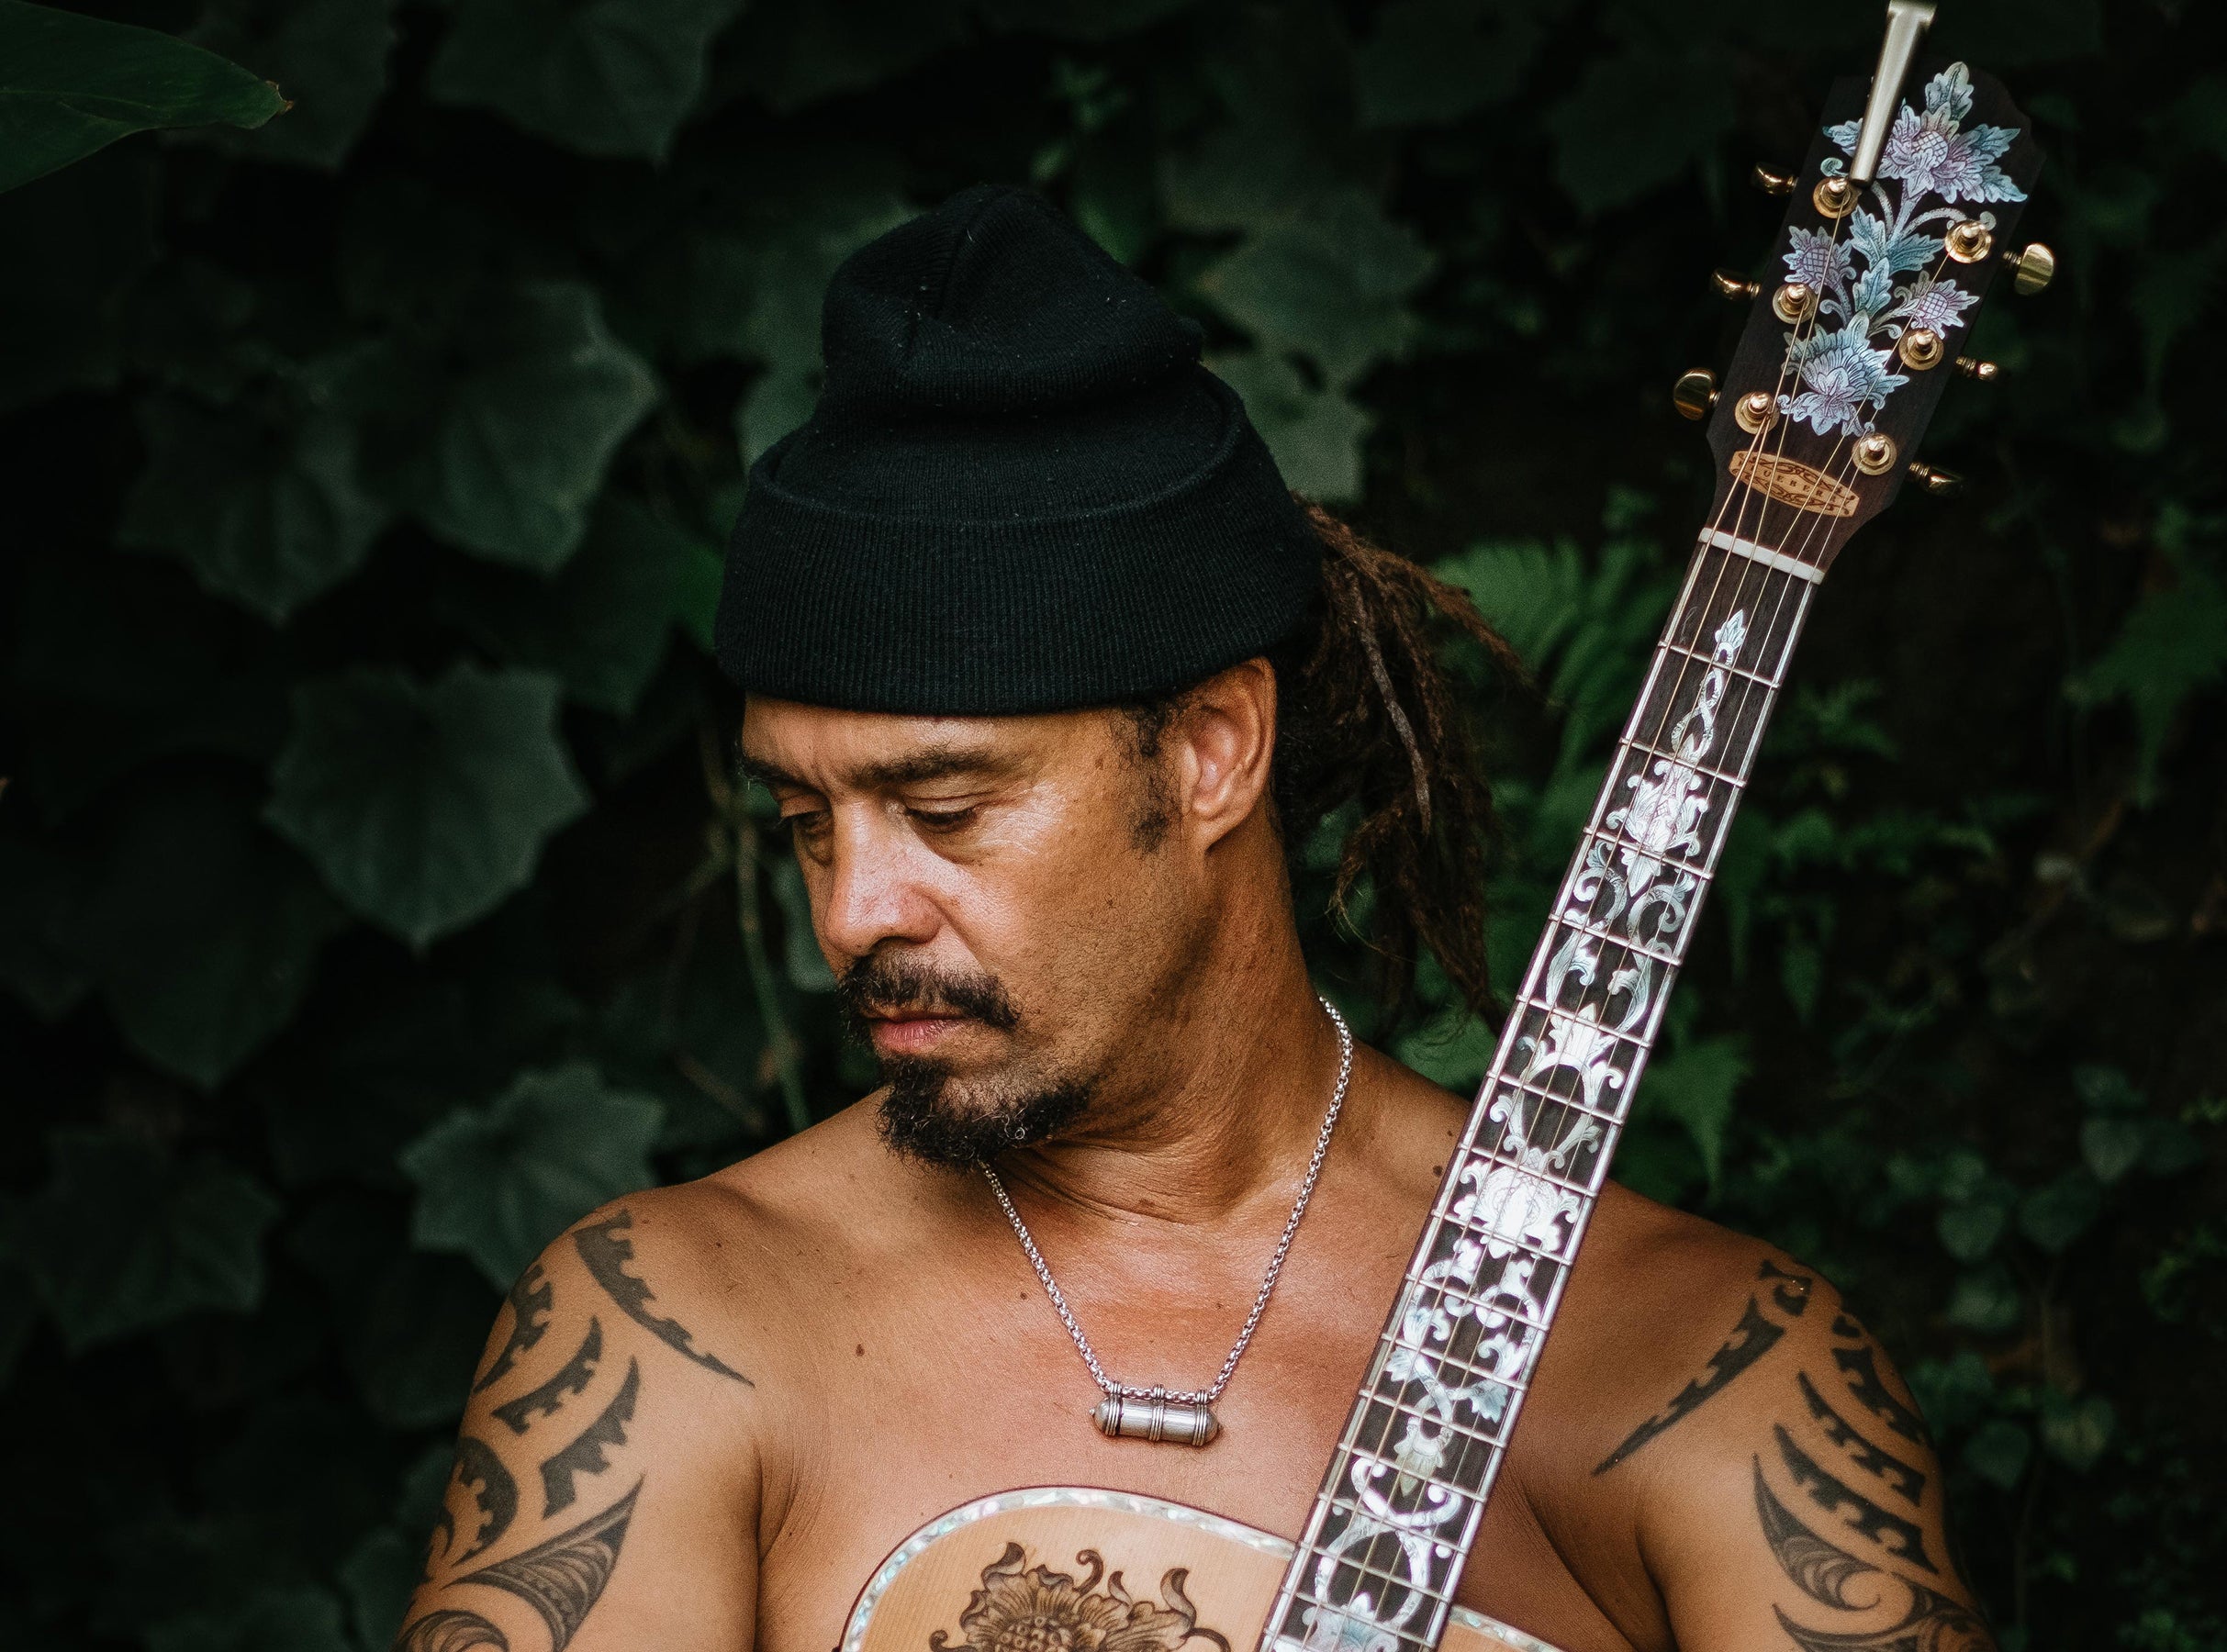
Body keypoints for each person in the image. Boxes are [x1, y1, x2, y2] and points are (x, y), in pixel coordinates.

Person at [394, 188, 1990, 1652]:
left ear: (1213, 750)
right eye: (805, 822)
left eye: (945, 811)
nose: (854, 911)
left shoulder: (1699, 1378)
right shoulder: (677, 1335)